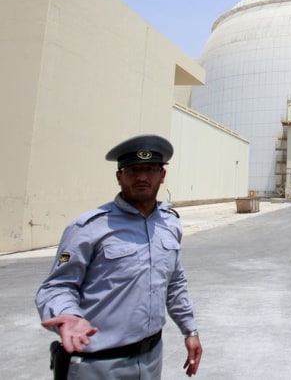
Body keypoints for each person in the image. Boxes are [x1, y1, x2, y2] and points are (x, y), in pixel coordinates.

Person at [36, 134, 203, 379]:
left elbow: (174, 283)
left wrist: (190, 330)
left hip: (151, 359)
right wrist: (69, 316)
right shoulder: (88, 228)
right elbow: (57, 286)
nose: (142, 177)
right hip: (98, 363)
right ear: (119, 176)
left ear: (162, 175)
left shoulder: (169, 224)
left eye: (150, 169)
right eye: (133, 170)